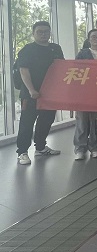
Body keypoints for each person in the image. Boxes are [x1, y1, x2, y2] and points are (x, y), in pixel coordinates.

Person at [15, 21, 64, 165]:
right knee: (27, 122)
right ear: (33, 33)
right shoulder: (28, 49)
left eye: (46, 31)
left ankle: (41, 147)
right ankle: (22, 152)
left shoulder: (55, 48)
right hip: (31, 94)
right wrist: (31, 90)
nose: (43, 34)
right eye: (40, 32)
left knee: (46, 120)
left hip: (50, 94)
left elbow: (62, 68)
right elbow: (23, 70)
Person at [73, 29, 97, 160]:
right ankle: (79, 148)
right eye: (93, 37)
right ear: (89, 39)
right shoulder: (83, 53)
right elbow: (76, 71)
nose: (96, 39)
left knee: (96, 121)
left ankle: (95, 147)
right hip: (84, 92)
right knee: (82, 121)